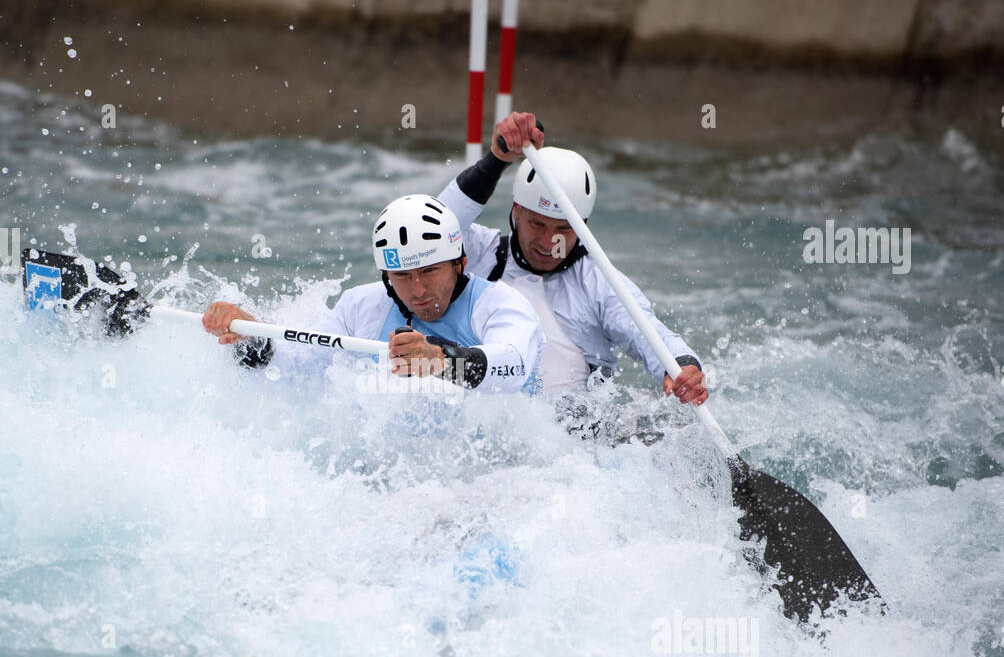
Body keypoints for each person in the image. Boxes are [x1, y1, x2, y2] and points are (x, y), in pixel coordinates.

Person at [435, 113, 709, 427]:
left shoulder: (601, 283)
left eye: (563, 229)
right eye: (536, 223)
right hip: (481, 430)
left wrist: (684, 367)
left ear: (583, 228)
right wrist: (496, 161)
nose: (548, 241)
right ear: (516, 212)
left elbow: (650, 334)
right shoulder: (480, 252)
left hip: (572, 441)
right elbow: (433, 224)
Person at [201, 193, 545, 393]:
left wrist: (439, 360)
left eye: (429, 271)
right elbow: (293, 368)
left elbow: (512, 368)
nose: (418, 290)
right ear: (385, 276)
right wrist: (250, 334)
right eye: (402, 276)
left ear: (460, 263)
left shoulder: (501, 305)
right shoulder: (359, 307)